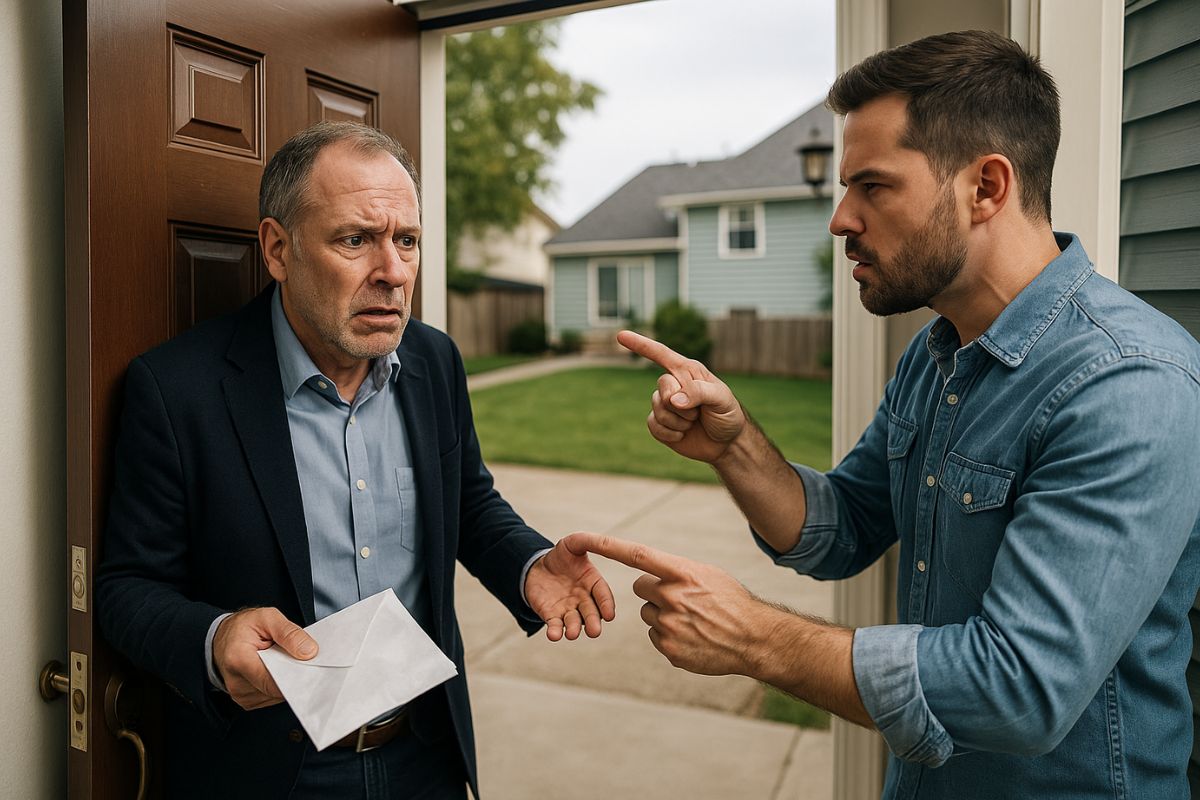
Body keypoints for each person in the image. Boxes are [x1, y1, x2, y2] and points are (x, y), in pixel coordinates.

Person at [566, 29, 1200, 799]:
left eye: (873, 186)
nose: (840, 220)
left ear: (986, 188)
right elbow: (843, 528)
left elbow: (1020, 690)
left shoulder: (1128, 382)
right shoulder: (936, 356)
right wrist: (735, 446)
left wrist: (754, 637)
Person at [95, 121, 615, 800]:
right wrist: (215, 638)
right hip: (271, 773)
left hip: (425, 751)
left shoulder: (435, 361)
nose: (393, 273)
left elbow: (467, 502)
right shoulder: (175, 391)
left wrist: (525, 566)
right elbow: (127, 587)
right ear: (278, 249)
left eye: (407, 241)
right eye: (355, 240)